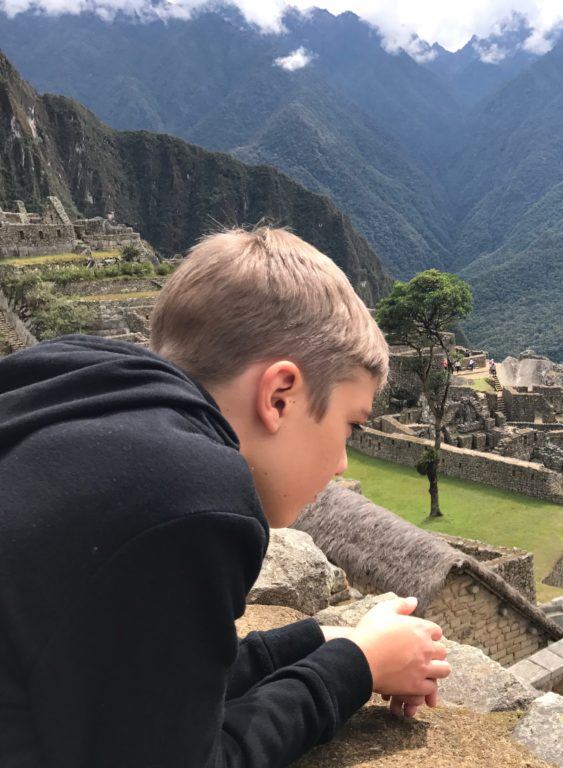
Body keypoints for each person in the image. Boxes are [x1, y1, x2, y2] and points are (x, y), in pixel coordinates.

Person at [0, 227, 451, 768]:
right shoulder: (188, 492)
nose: (342, 463)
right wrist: (355, 667)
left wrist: (320, 639)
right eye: (351, 425)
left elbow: (157, 687)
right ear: (279, 396)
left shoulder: (77, 386)